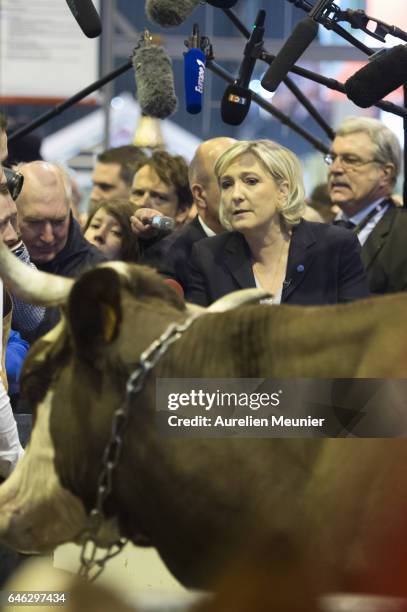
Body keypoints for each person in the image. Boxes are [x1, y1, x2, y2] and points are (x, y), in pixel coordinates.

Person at [185, 139, 369, 307]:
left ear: (283, 191)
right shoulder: (207, 256)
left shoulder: (335, 246)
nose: (236, 195)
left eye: (251, 181)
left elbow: (356, 328)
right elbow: (200, 334)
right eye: (227, 184)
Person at [141, 137, 236, 290]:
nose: (241, 193)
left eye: (249, 181)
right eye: (227, 184)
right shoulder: (168, 257)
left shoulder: (258, 244)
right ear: (199, 195)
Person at [326, 116, 406, 294]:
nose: (335, 169)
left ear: (385, 173)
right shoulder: (315, 229)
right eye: (332, 158)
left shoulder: (403, 233)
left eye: (351, 160)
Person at [15, 161, 106, 277]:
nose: (48, 238)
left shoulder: (98, 275)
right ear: (12, 212)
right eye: (35, 222)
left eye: (58, 222)